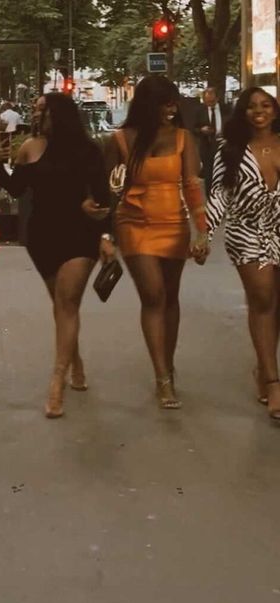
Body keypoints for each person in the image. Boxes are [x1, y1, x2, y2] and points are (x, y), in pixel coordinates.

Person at [0, 93, 115, 418]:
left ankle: (56, 382)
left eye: (42, 109)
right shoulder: (30, 147)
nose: (35, 113)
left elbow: (103, 195)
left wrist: (102, 227)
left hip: (80, 235)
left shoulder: (88, 150)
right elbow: (16, 190)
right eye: (35, 108)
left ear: (59, 114)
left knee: (68, 301)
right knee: (60, 305)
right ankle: (75, 361)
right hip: (42, 236)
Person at [105, 75, 208, 410]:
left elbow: (192, 185)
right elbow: (108, 190)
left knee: (170, 298)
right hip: (133, 223)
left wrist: (201, 230)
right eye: (166, 102)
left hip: (174, 224)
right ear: (149, 105)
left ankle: (167, 362)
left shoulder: (182, 138)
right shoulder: (120, 139)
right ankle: (162, 377)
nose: (172, 108)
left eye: (173, 102)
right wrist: (105, 235)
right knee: (154, 295)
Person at [206, 87, 280, 423]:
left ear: (275, 111)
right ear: (243, 113)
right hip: (247, 232)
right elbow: (220, 193)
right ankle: (273, 380)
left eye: (266, 105)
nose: (259, 111)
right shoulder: (230, 150)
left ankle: (263, 368)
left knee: (274, 305)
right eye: (251, 107)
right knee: (263, 299)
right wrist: (203, 233)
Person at [195, 86, 227, 181]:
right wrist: (201, 130)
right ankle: (210, 195)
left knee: (223, 176)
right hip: (207, 148)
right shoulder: (200, 111)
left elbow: (234, 126)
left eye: (212, 102)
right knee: (209, 177)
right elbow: (193, 129)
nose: (210, 104)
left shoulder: (226, 109)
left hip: (224, 148)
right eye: (207, 102)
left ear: (217, 98)